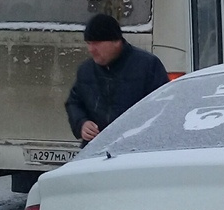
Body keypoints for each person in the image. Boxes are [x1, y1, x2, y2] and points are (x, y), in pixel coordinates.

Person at [65, 13, 168, 143]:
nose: (91, 49)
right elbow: (74, 103)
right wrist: (81, 123)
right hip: (96, 150)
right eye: (88, 43)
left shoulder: (148, 66)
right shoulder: (85, 71)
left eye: (96, 43)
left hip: (137, 149)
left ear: (116, 41)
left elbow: (163, 107)